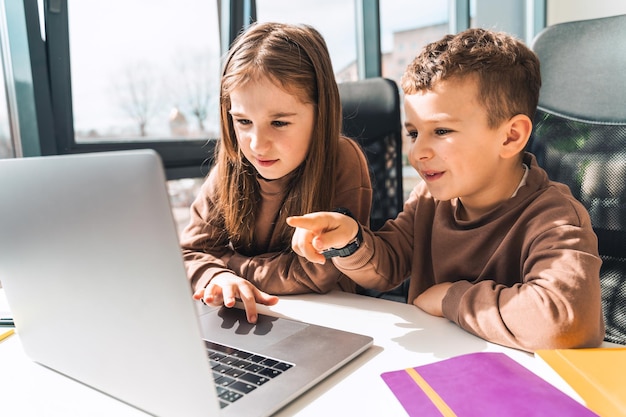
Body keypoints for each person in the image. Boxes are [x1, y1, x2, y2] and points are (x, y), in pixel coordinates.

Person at [287, 28, 605, 352]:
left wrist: (453, 298)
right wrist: (349, 241)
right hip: (437, 367)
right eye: (413, 133)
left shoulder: (554, 217)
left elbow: (565, 322)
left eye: (440, 130)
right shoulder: (429, 201)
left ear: (510, 137)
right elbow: (386, 267)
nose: (417, 152)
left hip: (518, 387)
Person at [180, 22, 372, 323]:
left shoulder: (341, 160)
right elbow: (189, 254)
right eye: (243, 122)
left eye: (279, 123)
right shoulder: (232, 166)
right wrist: (218, 276)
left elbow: (317, 273)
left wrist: (230, 264)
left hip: (333, 319)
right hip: (256, 317)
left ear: (320, 114)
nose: (257, 145)